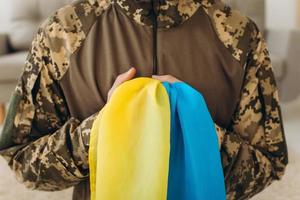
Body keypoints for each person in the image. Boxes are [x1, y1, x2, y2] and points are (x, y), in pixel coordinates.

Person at [0, 0, 288, 199]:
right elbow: (23, 160)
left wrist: (193, 127)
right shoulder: (62, 33)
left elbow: (269, 164)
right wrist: (101, 130)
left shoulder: (240, 37)